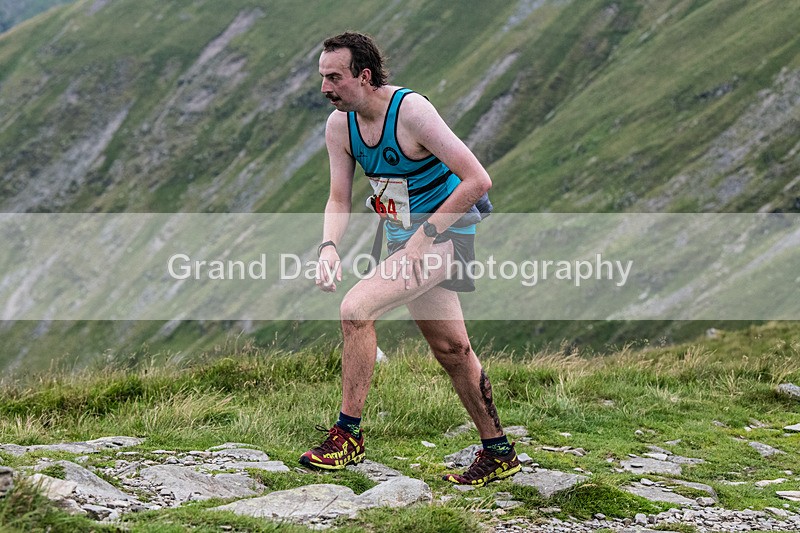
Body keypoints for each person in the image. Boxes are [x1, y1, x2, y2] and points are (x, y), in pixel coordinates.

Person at [299, 31, 520, 487]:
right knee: (453, 350)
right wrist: (328, 247)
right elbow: (339, 197)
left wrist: (425, 238)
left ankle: (347, 436)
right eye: (322, 77)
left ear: (363, 75)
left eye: (334, 77)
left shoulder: (412, 113)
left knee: (356, 310)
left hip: (443, 235)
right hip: (403, 237)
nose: (325, 88)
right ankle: (498, 450)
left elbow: (478, 180)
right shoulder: (340, 126)